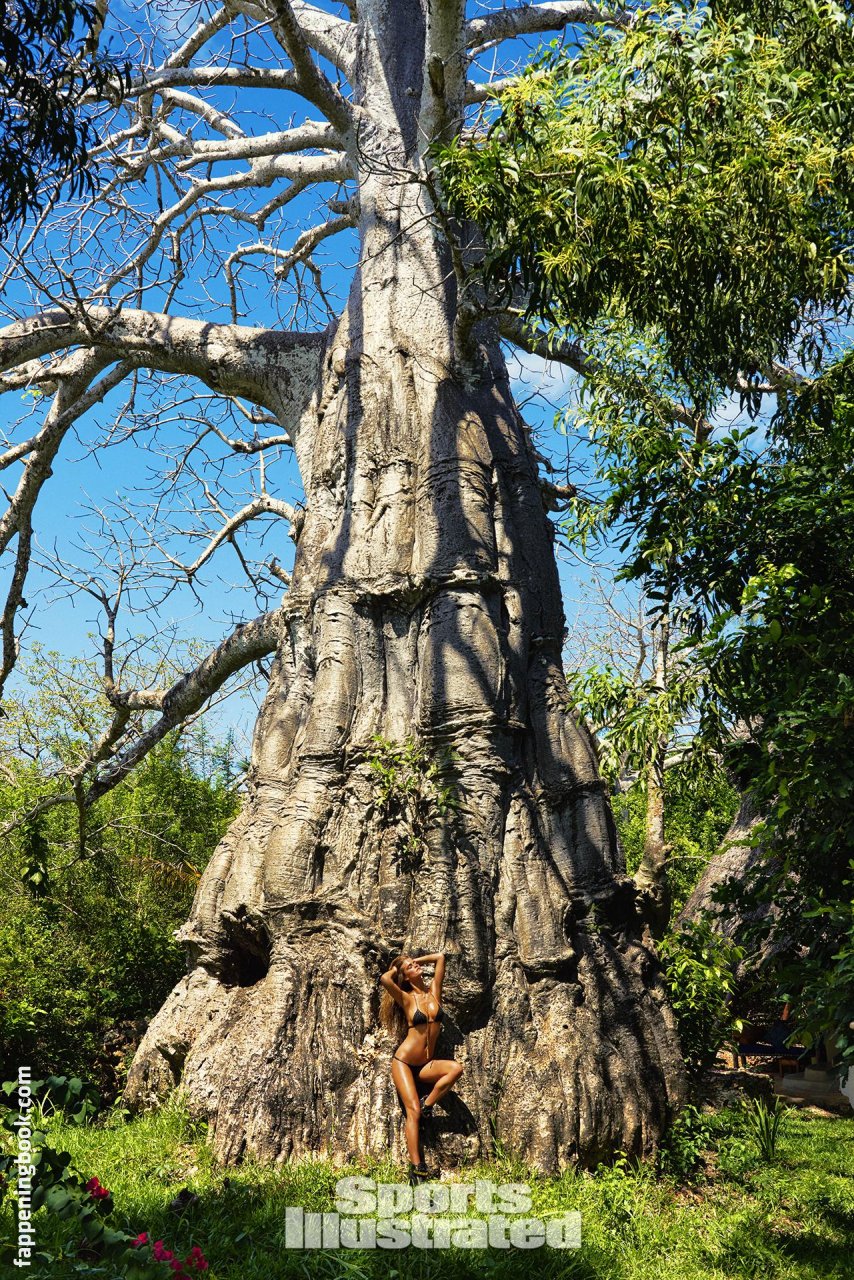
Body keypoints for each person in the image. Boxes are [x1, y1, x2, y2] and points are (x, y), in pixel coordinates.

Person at [379, 950, 464, 1184]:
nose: (415, 967)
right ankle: (418, 1168)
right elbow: (385, 979)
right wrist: (398, 968)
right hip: (404, 1063)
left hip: (426, 1064)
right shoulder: (406, 999)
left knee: (456, 1069)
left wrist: (414, 961)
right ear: (405, 977)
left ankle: (428, 1106)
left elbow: (440, 958)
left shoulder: (433, 992)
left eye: (414, 965)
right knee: (412, 1112)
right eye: (410, 968)